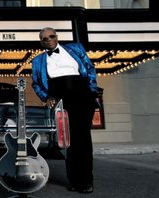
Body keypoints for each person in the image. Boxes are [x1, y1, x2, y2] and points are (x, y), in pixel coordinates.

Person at [31, 27, 98, 194]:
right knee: (69, 141)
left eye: (51, 36)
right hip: (61, 101)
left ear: (57, 37)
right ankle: (75, 181)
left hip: (82, 96)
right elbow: (36, 84)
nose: (48, 39)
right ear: (41, 42)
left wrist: (92, 91)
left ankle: (87, 181)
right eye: (44, 38)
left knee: (83, 139)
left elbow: (90, 70)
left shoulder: (75, 49)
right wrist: (46, 97)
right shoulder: (38, 61)